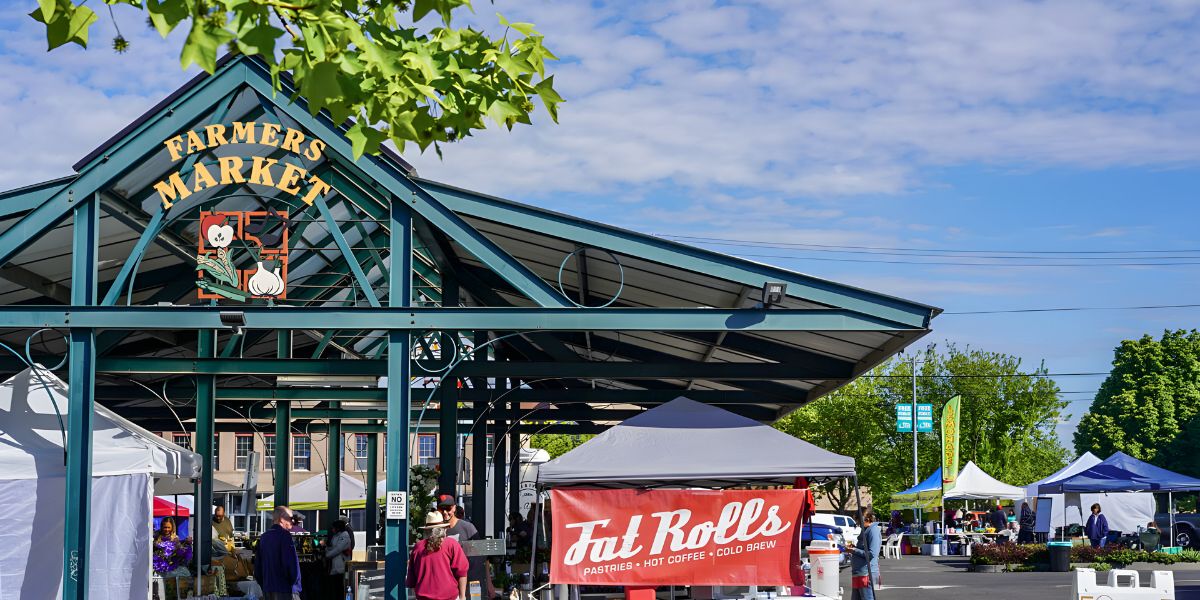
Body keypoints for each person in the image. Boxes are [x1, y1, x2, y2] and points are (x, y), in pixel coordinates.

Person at [407, 511, 468, 600]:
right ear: (443, 529)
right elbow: (462, 572)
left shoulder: (418, 547)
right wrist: (463, 597)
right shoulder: (452, 544)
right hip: (449, 597)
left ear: (426, 530)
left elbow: (412, 580)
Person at [438, 494, 488, 595]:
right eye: (441, 509)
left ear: (454, 508)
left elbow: (483, 558)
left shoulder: (468, 528)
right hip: (445, 584)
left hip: (469, 581)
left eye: (448, 508)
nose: (445, 512)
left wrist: (489, 584)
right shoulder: (436, 529)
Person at [255, 505, 303, 600]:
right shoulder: (285, 536)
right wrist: (295, 585)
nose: (292, 521)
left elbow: (257, 567)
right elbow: (291, 565)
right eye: (290, 518)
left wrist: (264, 585)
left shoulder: (264, 537)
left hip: (268, 588)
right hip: (285, 589)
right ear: (281, 519)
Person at [846, 510, 880, 600]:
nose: (857, 523)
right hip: (859, 572)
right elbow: (863, 548)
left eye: (858, 520)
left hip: (866, 573)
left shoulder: (873, 531)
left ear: (866, 519)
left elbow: (872, 553)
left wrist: (854, 550)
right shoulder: (865, 530)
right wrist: (854, 548)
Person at [325, 519, 354, 595]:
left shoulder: (345, 535)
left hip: (341, 566)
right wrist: (326, 549)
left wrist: (327, 555)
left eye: (333, 528)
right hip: (335, 565)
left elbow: (338, 549)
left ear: (338, 528)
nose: (332, 529)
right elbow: (333, 547)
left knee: (340, 588)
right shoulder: (336, 536)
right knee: (334, 588)